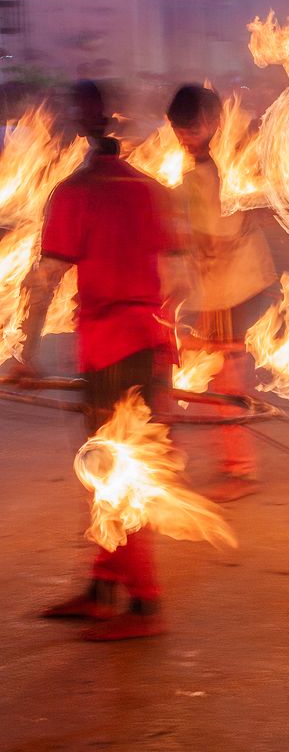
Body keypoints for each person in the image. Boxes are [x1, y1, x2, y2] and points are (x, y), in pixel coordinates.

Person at [15, 80, 181, 641]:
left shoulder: (75, 192)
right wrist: (172, 347)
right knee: (110, 472)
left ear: (78, 132)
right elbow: (180, 276)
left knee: (116, 476)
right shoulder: (151, 190)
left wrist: (26, 355)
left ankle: (145, 606)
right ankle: (104, 587)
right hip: (149, 345)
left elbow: (43, 282)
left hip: (113, 352)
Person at [166, 84, 277, 502]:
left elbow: (215, 243)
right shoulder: (201, 168)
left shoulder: (215, 171)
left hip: (232, 290)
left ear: (212, 123)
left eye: (191, 127)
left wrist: (210, 308)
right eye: (178, 128)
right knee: (208, 371)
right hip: (220, 288)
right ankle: (221, 461)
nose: (184, 135)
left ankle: (240, 470)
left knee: (224, 377)